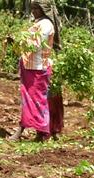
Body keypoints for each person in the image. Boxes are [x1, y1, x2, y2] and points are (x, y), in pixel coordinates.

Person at [12, 0, 62, 141]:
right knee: (32, 99)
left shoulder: (45, 25)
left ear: (44, 10)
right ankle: (41, 131)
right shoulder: (39, 23)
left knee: (37, 100)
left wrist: (18, 42)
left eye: (37, 8)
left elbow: (35, 45)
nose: (33, 11)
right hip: (32, 66)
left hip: (38, 68)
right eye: (33, 8)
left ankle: (42, 132)